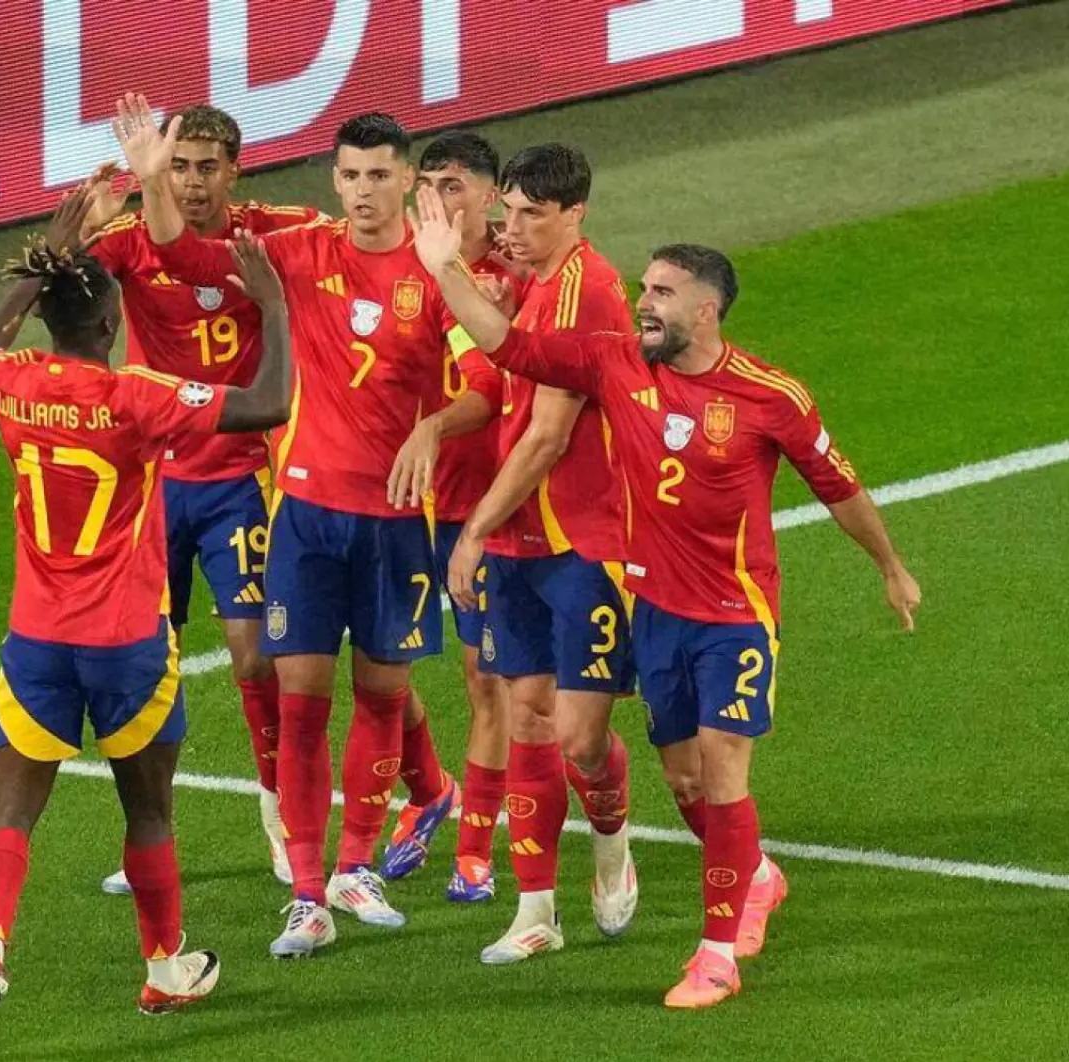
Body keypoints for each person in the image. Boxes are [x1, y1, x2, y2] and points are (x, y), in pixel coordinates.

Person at [411, 193, 922, 1007]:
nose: (642, 305)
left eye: (660, 293)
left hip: (734, 617)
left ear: (706, 308)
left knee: (722, 768)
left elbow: (839, 486)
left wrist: (891, 566)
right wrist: (444, 265)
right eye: (643, 290)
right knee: (685, 783)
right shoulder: (617, 366)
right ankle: (755, 875)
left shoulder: (770, 396)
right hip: (655, 617)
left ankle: (715, 954)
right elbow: (511, 346)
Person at [0, 186, 292, 1058]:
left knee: (10, 817)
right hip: (127, 643)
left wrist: (43, 257)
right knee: (150, 814)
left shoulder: (10, 385)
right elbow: (268, 403)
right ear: (110, 323)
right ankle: (164, 965)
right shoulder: (135, 396)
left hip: (37, 643)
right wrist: (272, 306)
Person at [114, 95, 460, 956]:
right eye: (350, 175)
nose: (364, 190)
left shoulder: (436, 267)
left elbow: (492, 380)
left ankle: (355, 864)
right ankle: (307, 894)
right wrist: (152, 179)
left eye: (380, 175)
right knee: (300, 705)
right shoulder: (296, 254)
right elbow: (179, 252)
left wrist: (433, 426)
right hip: (304, 516)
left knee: (380, 698)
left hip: (395, 524)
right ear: (334, 181)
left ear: (407, 178)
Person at [391, 145, 640, 963]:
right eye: (513, 211)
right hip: (522, 544)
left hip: (586, 542)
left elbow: (543, 438)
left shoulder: (588, 293)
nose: (515, 228)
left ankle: (611, 843)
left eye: (536, 215)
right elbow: (497, 343)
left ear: (576, 215)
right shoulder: (526, 275)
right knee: (527, 712)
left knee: (578, 739)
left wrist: (470, 531)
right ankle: (536, 911)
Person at [83, 104, 317, 894]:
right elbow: (59, 269)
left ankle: (283, 816)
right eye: (177, 166)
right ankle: (150, 837)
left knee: (256, 655)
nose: (191, 181)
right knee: (148, 665)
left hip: (238, 477)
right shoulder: (129, 238)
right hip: (152, 484)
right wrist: (85, 215)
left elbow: (334, 237)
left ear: (235, 170)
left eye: (205, 166)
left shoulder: (263, 236)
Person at [378, 130, 514, 901]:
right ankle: (431, 792)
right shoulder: (396, 263)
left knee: (485, 680)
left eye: (455, 185)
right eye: (429, 183)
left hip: (484, 504)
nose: (439, 198)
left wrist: (432, 427)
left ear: (490, 195)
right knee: (379, 667)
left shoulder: (513, 276)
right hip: (399, 498)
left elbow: (492, 390)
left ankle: (475, 848)